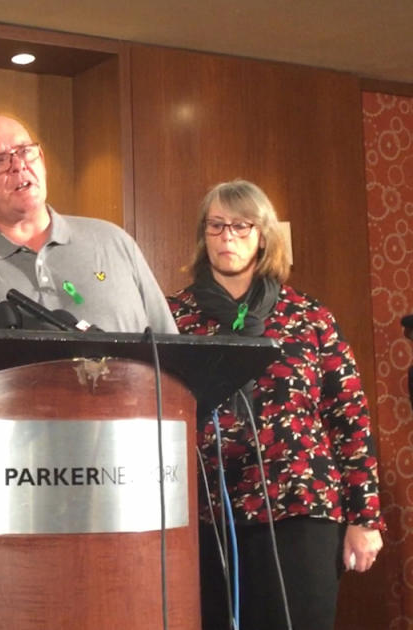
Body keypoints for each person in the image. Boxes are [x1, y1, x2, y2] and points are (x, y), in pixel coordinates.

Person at [166, 179, 384, 630]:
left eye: (241, 226)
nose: (227, 237)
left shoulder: (309, 316)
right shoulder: (173, 317)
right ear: (202, 235)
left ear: (263, 235)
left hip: (301, 508)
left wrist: (365, 518)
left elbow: (350, 419)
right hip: (208, 517)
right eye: (216, 225)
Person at [0, 114, 176, 335]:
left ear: (42, 160)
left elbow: (173, 359)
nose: (18, 166)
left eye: (25, 152)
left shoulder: (114, 243)